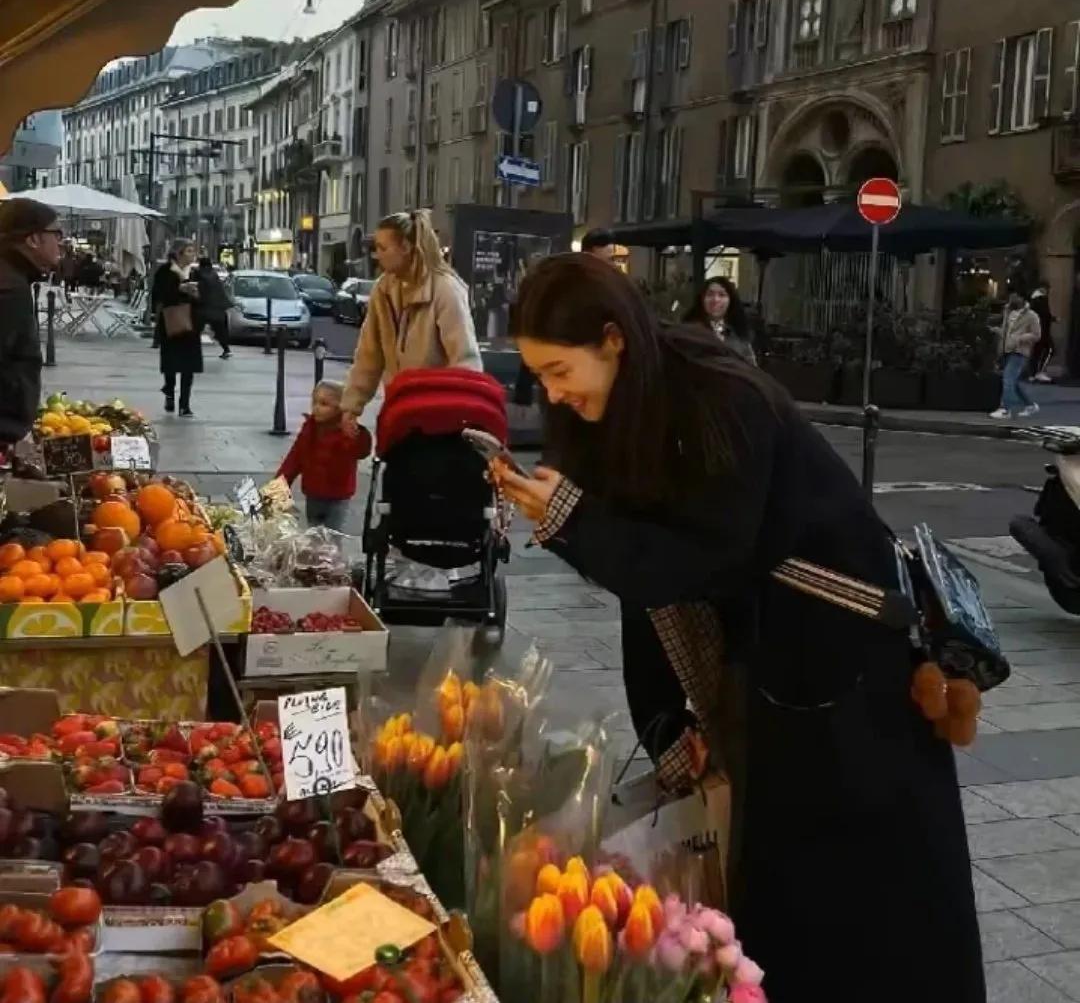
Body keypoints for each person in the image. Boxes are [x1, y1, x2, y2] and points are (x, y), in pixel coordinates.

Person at [492, 253, 984, 1003]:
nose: (551, 394)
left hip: (847, 669)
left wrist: (572, 521)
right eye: (540, 376)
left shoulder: (720, 397)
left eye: (560, 370)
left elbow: (695, 559)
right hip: (775, 666)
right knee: (777, 882)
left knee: (865, 899)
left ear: (613, 340)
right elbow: (645, 583)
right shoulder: (625, 408)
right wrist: (667, 727)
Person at [340, 209, 481, 435]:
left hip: (438, 418)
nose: (377, 255)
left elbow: (465, 358)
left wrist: (464, 416)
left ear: (405, 247)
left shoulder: (445, 290)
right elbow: (369, 354)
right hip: (399, 410)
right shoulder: (383, 289)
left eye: (383, 248)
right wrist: (351, 406)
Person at [0, 199, 61, 444]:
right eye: (56, 233)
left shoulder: (13, 277)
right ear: (33, 239)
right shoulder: (9, 288)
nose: (61, 242)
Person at [277, 381, 372, 531]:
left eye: (324, 404)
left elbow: (361, 451)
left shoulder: (346, 432)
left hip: (338, 496)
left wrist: (356, 433)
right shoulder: (310, 428)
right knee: (313, 535)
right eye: (314, 402)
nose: (316, 408)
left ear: (340, 407)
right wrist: (280, 483)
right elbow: (295, 458)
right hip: (313, 493)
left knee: (332, 539)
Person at [153, 238, 201, 416]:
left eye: (193, 251)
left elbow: (207, 296)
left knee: (188, 366)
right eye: (189, 251)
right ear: (178, 253)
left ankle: (185, 404)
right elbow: (158, 295)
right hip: (171, 322)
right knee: (171, 364)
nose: (192, 254)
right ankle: (170, 394)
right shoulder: (165, 271)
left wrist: (197, 294)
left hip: (191, 324)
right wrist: (179, 289)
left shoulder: (195, 273)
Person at [991, 291, 1041, 420]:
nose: (1011, 299)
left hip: (1019, 351)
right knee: (1013, 381)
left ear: (1022, 298)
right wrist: (998, 332)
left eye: (1014, 296)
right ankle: (1030, 405)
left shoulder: (1031, 316)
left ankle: (1005, 409)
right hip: (1006, 350)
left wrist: (1020, 338)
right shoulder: (1008, 312)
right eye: (1010, 296)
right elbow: (1006, 331)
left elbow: (1036, 335)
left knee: (1008, 379)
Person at [683, 276, 756, 364]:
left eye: (722, 295)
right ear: (702, 299)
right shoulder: (689, 332)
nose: (715, 300)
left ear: (731, 300)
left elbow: (752, 371)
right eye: (710, 294)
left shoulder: (739, 334)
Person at [193, 256, 232, 359]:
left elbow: (196, 289)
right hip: (218, 308)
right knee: (219, 331)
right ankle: (226, 350)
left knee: (195, 330)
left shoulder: (198, 273)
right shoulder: (214, 274)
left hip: (204, 308)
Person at [1029, 282, 1054, 383]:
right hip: (1042, 330)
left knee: (1036, 352)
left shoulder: (1033, 299)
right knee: (1049, 349)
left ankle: (1033, 373)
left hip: (1037, 329)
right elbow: (1044, 314)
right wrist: (1052, 318)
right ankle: (1039, 372)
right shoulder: (1041, 299)